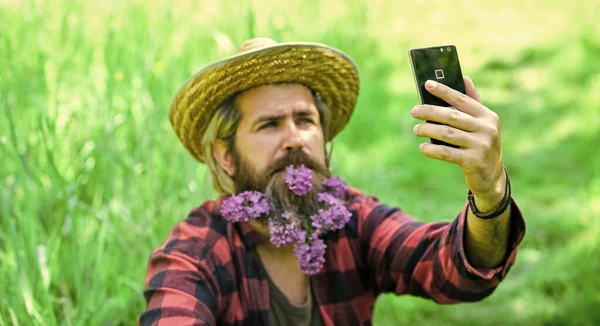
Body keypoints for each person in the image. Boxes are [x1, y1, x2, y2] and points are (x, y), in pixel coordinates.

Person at [138, 37, 526, 326]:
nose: (295, 138)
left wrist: (490, 192)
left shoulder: (352, 218)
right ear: (225, 155)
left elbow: (452, 269)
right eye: (269, 124)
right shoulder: (195, 251)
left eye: (305, 120)